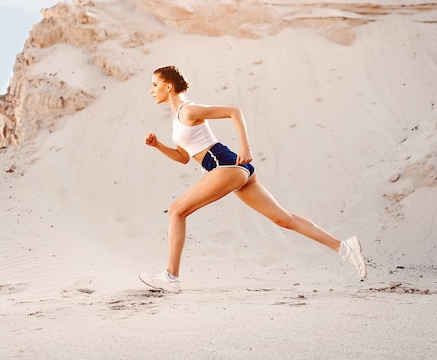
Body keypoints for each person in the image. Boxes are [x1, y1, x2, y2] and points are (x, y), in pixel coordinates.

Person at [139, 65, 367, 293]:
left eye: (154, 84)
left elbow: (234, 111)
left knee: (177, 210)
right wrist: (157, 145)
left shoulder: (189, 111)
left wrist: (245, 147)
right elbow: (183, 158)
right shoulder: (177, 119)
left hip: (226, 165)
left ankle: (170, 277)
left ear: (168, 86)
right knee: (283, 219)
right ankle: (345, 248)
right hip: (237, 170)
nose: (151, 89)